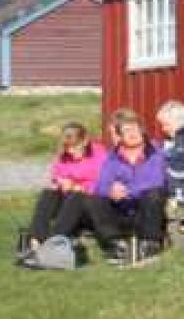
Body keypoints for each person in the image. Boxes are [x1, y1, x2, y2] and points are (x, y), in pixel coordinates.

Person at [52, 108, 167, 263]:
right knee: (90, 199)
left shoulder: (155, 152)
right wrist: (110, 190)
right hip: (119, 210)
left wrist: (128, 191)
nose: (133, 134)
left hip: (143, 211)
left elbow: (156, 180)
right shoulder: (113, 159)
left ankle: (150, 245)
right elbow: (100, 186)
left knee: (154, 194)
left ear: (142, 130)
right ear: (119, 135)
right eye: (127, 130)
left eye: (135, 129)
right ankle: (115, 244)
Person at [23, 122, 107, 256]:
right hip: (68, 197)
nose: (71, 151)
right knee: (49, 193)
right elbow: (57, 175)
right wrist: (60, 183)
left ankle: (53, 240)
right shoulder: (63, 156)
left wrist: (81, 187)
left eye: (75, 147)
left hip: (90, 202)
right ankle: (36, 239)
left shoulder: (99, 154)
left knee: (77, 196)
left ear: (85, 141)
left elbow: (104, 182)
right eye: (68, 147)